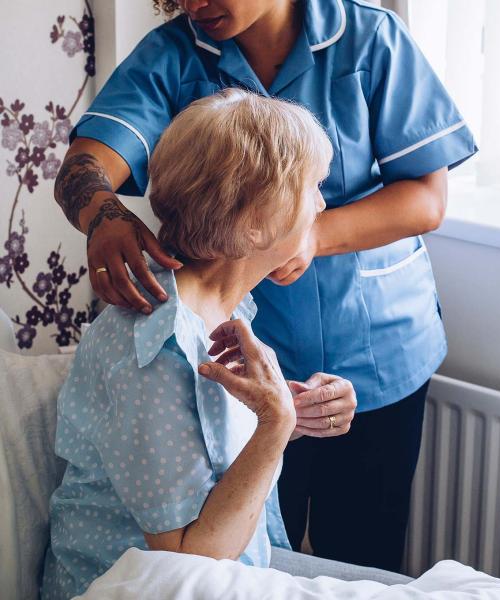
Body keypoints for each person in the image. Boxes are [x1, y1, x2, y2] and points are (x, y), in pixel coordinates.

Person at [54, 0, 477, 571]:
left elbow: (426, 197)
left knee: (363, 556)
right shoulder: (167, 349)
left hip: (376, 346)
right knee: (252, 528)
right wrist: (101, 211)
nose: (194, 4)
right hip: (246, 362)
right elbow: (200, 549)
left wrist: (310, 233)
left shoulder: (372, 38)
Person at [42, 89, 360, 600]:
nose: (322, 204)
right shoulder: (153, 349)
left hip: (237, 573)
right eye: (312, 189)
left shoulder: (220, 306)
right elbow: (184, 566)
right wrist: (274, 425)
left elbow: (202, 448)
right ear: (256, 224)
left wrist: (292, 412)